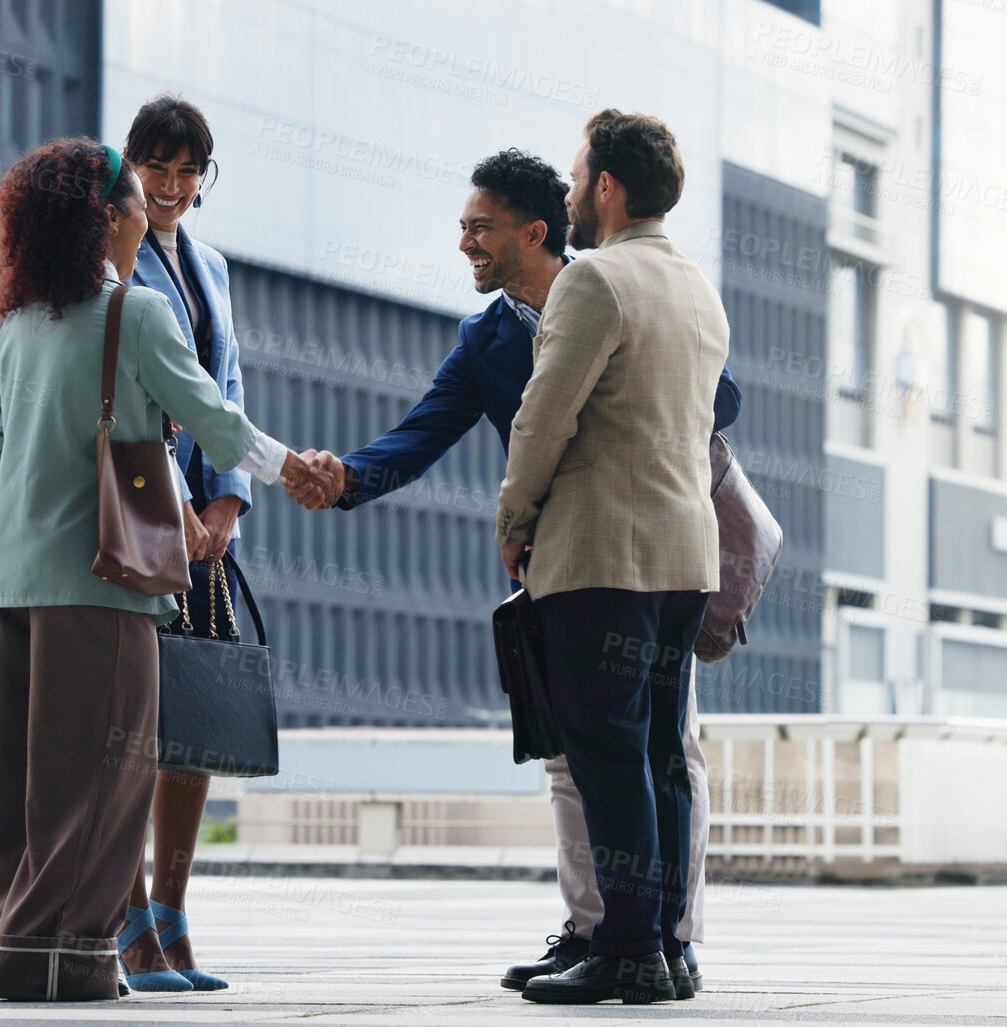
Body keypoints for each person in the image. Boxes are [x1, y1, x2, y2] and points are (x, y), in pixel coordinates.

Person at [286, 149, 737, 997]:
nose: (465, 243)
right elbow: (424, 429)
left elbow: (714, 397)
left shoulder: (612, 281)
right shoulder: (488, 338)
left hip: (627, 548)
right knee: (577, 760)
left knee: (651, 752)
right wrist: (346, 477)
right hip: (583, 556)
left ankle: (659, 939)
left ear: (534, 232)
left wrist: (533, 502)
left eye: (479, 227)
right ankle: (598, 929)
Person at [0, 137, 321, 1002]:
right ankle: (75, 957)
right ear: (109, 218)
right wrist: (294, 469)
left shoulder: (20, 323)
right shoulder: (136, 312)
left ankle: (23, 951)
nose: (144, 219)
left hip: (7, 582)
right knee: (101, 775)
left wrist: (44, 495)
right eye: (135, 203)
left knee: (21, 784)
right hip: (101, 583)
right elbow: (213, 416)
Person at [496, 109, 728, 1005]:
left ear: (605, 185)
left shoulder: (593, 279)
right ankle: (663, 947)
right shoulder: (696, 288)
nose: (566, 192)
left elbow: (542, 417)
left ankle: (626, 949)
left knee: (607, 752)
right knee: (661, 752)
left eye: (574, 175)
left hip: (602, 554)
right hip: (684, 557)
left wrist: (514, 517)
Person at [112, 93, 244, 993]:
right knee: (129, 719)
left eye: (187, 170)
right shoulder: (110, 258)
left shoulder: (212, 265)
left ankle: (171, 910)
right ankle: (125, 918)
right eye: (156, 167)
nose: (170, 185)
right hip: (139, 507)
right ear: (130, 167)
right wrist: (179, 500)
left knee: (196, 718)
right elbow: (129, 387)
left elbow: (226, 383)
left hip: (206, 530)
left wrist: (228, 498)